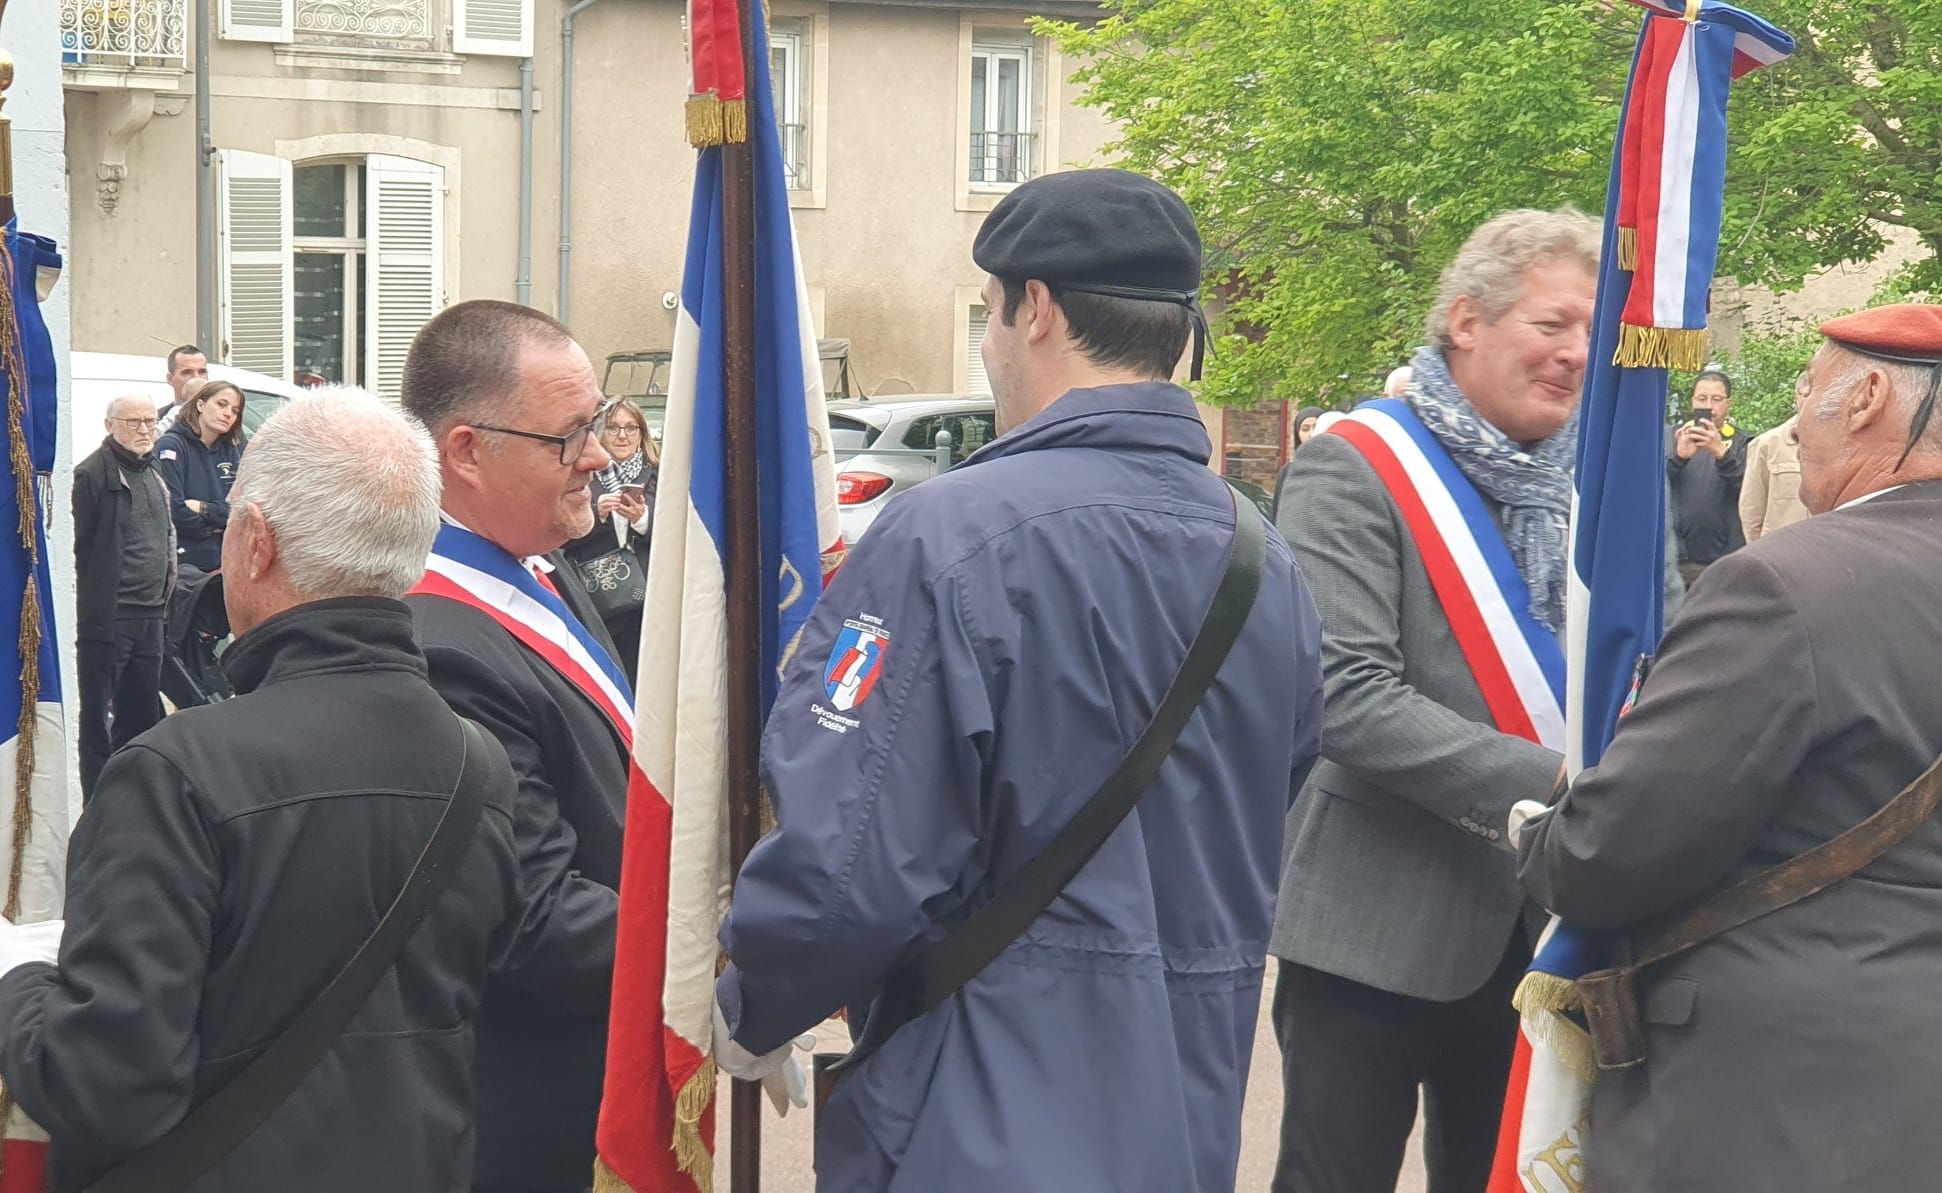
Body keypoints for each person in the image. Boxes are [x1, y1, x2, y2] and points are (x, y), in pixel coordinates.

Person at [714, 168, 1325, 1193]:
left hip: (971, 1114)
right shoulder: (1266, 558)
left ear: (1034, 308)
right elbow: (1272, 800)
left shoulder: (944, 534)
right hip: (1183, 1115)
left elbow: (846, 858)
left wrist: (752, 1005)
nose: (991, 346)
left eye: (990, 312)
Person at [0, 389, 532, 1192]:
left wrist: (17, 979)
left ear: (253, 542)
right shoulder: (479, 762)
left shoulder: (173, 771)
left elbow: (107, 1087)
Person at [1515, 303, 1942, 1192]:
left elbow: (1607, 853)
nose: (1794, 416)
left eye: (1808, 387)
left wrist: (1538, 831)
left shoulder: (1786, 586)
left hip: (1782, 1106)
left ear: (1869, 396)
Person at [1269, 208, 1601, 1193]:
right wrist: (1559, 781)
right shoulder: (1355, 464)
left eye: (1590, 330)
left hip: (1547, 934)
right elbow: (1342, 693)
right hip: (1373, 928)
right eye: (1552, 323)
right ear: (1466, 320)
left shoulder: (1590, 488)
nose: (1577, 352)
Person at [400, 300, 628, 1193]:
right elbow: (532, 922)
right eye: (571, 437)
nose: (599, 456)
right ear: (466, 451)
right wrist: (716, 940)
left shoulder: (535, 556)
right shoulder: (437, 637)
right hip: (530, 1108)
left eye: (596, 425)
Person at [72, 393, 175, 800]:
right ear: (109, 425)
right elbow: (81, 549)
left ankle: (136, 801)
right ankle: (97, 803)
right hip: (111, 618)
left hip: (152, 615)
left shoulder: (153, 470)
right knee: (97, 720)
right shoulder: (92, 475)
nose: (145, 430)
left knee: (143, 717)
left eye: (150, 421)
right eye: (134, 422)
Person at [562, 398, 658, 683]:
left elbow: (674, 532)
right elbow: (561, 537)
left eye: (631, 428)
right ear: (601, 432)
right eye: (614, 428)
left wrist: (641, 519)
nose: (622, 436)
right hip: (598, 599)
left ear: (641, 434)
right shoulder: (582, 475)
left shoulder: (658, 474)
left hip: (647, 600)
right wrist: (597, 514)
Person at [157, 378, 246, 572]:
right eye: (221, 404)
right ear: (200, 405)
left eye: (235, 410)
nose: (228, 414)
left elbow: (241, 510)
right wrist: (215, 526)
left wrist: (204, 508)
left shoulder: (231, 449)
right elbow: (175, 510)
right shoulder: (172, 445)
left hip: (226, 562)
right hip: (186, 565)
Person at [1667, 368, 1746, 584]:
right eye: (1702, 399)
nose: (1708, 406)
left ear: (1728, 404)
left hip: (1723, 563)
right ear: (1692, 401)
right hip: (1674, 563)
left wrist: (1722, 454)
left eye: (1716, 399)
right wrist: (1678, 458)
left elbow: (1750, 491)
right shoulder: (1669, 438)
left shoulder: (1744, 443)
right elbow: (1650, 487)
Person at [1739, 376, 1812, 542]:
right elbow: (1751, 511)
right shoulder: (1766, 444)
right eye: (1806, 395)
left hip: (1824, 548)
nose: (1811, 402)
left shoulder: (1840, 444)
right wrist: (1760, 550)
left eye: (1816, 395)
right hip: (1780, 549)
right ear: (1796, 396)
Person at [1270, 405, 1328, 522]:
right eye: (1305, 429)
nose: (1311, 434)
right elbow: (1278, 511)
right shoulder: (1290, 470)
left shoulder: (1338, 467)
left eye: (1316, 427)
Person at [162, 343, 209, 419]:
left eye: (202, 372)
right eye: (187, 373)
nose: (196, 378)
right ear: (170, 379)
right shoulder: (159, 419)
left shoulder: (222, 418)